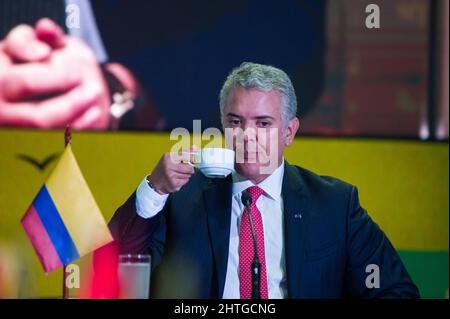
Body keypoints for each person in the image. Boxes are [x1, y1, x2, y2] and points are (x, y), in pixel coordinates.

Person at [109, 62, 419, 298]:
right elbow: (114, 270)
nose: (248, 136)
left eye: (263, 123)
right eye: (235, 122)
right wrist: (155, 188)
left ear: (289, 131)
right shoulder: (180, 198)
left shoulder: (335, 205)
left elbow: (396, 291)